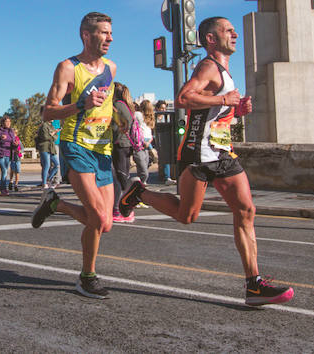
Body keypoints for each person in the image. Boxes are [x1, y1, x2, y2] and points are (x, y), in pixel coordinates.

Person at [119, 16, 295, 306]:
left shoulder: (225, 72)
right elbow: (184, 98)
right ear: (211, 39)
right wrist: (225, 101)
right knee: (187, 216)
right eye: (228, 31)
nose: (235, 34)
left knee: (246, 210)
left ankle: (254, 285)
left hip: (222, 152)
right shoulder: (208, 66)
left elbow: (211, 112)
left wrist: (236, 111)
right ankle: (140, 193)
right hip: (197, 153)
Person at [31, 11, 117, 299]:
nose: (110, 38)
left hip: (102, 149)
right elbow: (48, 112)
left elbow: (104, 106)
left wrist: (120, 118)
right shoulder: (68, 68)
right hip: (76, 145)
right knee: (98, 216)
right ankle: (87, 277)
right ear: (86, 35)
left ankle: (55, 203)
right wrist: (80, 105)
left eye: (110, 33)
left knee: (105, 223)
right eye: (103, 33)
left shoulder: (111, 68)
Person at [110, 82, 139, 223]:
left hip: (120, 144)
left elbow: (119, 126)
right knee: (120, 177)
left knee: (121, 178)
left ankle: (126, 209)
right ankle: (122, 208)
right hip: (124, 144)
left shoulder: (117, 106)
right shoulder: (124, 105)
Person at [35, 106, 61, 188]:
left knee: (57, 165)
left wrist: (53, 134)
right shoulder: (44, 125)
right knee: (46, 165)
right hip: (45, 148)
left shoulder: (51, 125)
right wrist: (52, 134)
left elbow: (55, 136)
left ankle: (48, 179)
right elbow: (45, 137)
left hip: (52, 147)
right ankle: (44, 182)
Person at [0, 116, 15, 196]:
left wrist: (15, 145)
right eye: (6, 121)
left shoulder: (11, 131)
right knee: (4, 171)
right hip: (0, 154)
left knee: (5, 171)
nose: (8, 123)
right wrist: (0, 138)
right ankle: (3, 189)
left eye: (9, 121)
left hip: (8, 154)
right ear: (2, 123)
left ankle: (2, 188)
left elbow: (13, 142)